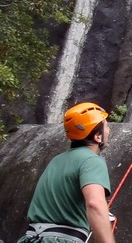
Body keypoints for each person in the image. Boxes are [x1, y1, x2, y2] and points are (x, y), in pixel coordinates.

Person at [18, 103, 116, 243]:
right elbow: (94, 204)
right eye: (106, 126)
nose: (109, 130)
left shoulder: (56, 161)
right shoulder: (92, 161)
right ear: (98, 136)